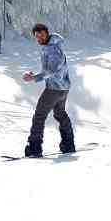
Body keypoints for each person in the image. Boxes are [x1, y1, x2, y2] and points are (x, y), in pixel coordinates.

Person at [20, 22, 74, 157]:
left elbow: (51, 70)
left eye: (42, 35)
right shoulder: (50, 46)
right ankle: (68, 144)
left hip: (54, 89)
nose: (40, 39)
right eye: (37, 37)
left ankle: (34, 148)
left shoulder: (53, 49)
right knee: (60, 114)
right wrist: (35, 76)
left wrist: (34, 78)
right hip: (62, 88)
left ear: (47, 33)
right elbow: (50, 69)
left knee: (39, 116)